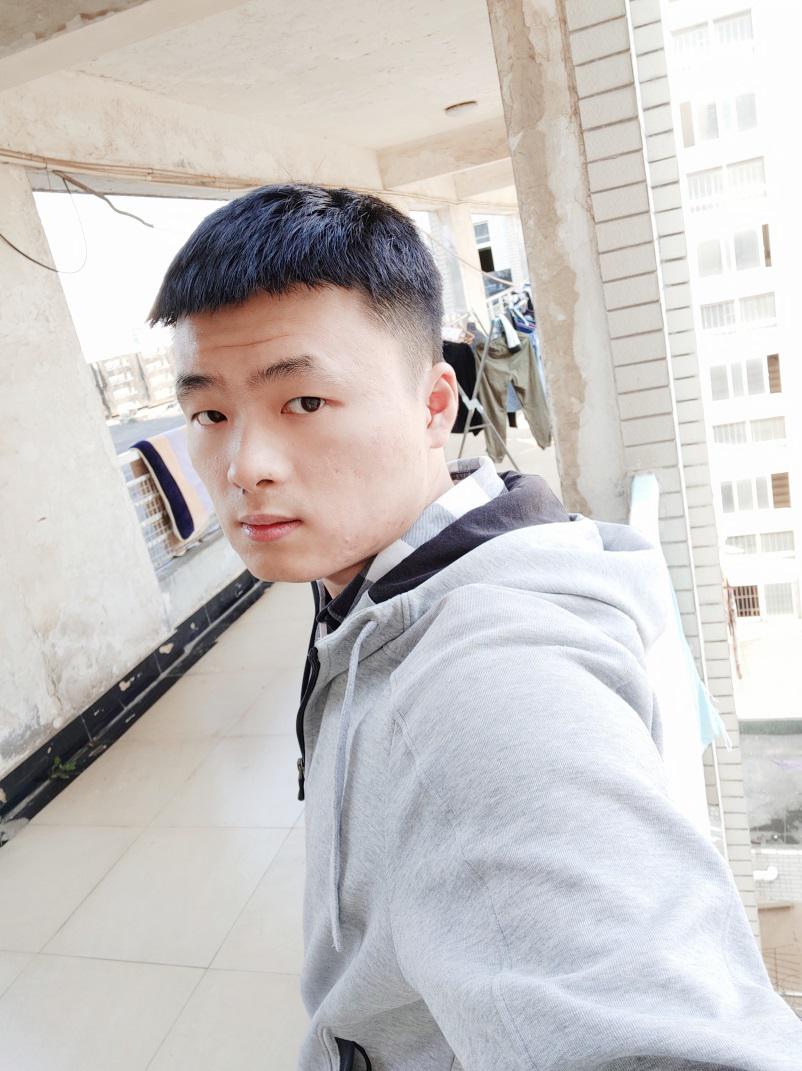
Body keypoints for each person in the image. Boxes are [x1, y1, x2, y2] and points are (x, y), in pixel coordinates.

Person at [149, 183, 802, 1071]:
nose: (245, 466)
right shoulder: (369, 573)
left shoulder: (484, 693)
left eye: (304, 402)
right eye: (210, 414)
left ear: (434, 405)